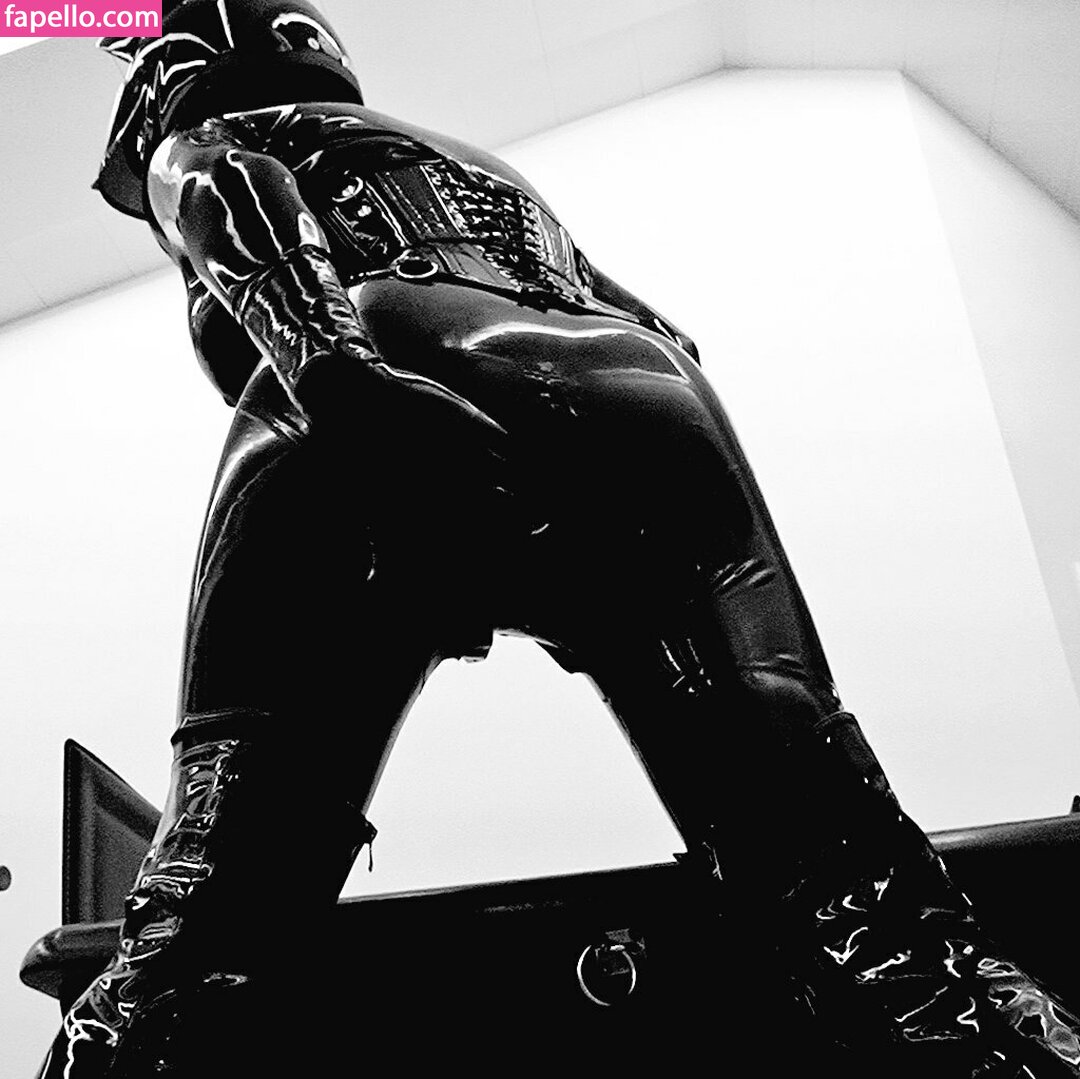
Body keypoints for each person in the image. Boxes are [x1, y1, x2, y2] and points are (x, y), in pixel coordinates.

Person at [38, 1, 1080, 1074]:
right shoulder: (484, 166)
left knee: (206, 924)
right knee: (853, 887)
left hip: (383, 355)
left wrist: (335, 372)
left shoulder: (218, 134)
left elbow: (223, 190)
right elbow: (662, 328)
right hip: (642, 395)